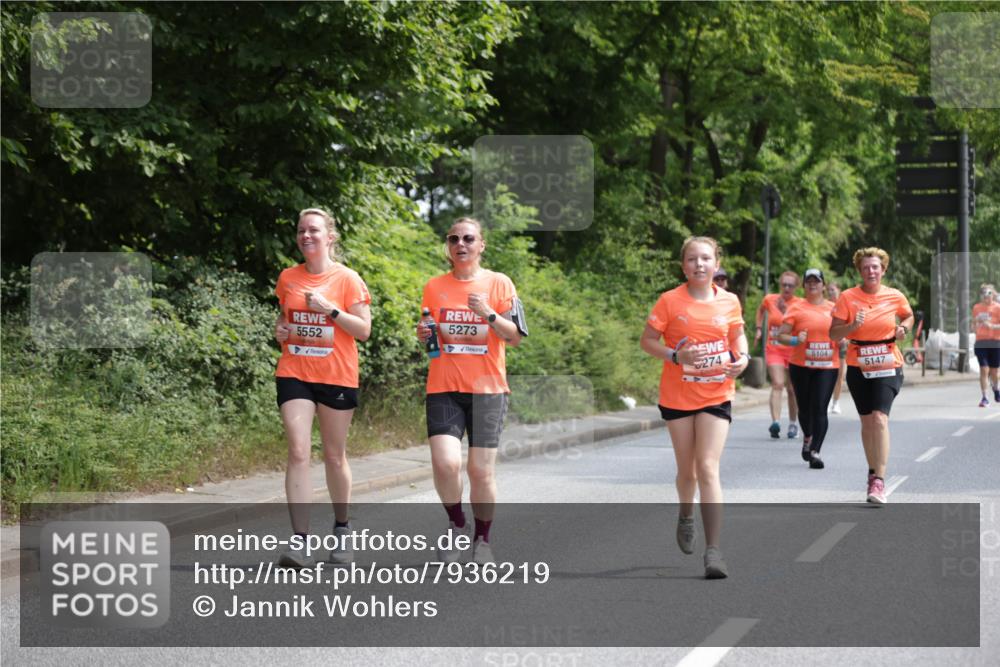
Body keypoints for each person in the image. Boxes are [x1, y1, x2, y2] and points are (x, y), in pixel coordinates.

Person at [417, 218, 527, 565]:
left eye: (468, 239)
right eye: (453, 239)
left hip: (488, 390)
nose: (460, 244)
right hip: (444, 387)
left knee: (480, 471)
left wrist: (489, 314)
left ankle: (483, 540)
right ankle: (456, 523)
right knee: (446, 463)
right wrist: (425, 334)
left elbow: (516, 336)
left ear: (481, 245)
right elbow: (432, 335)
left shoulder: (499, 283)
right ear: (448, 247)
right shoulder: (434, 287)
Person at [641, 236, 749, 579]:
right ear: (683, 265)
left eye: (705, 259)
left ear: (716, 263)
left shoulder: (730, 301)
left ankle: (714, 551)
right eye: (692, 259)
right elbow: (647, 341)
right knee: (686, 472)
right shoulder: (670, 301)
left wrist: (743, 358)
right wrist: (675, 356)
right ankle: (686, 512)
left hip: (717, 392)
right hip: (677, 396)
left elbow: (737, 337)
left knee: (707, 468)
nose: (699, 265)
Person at [273, 208, 372, 567]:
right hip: (295, 371)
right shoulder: (288, 277)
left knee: (334, 456)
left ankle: (342, 528)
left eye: (314, 230)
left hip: (336, 376)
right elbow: (284, 319)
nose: (306, 236)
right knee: (298, 451)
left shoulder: (347, 279)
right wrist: (280, 331)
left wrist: (330, 310)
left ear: (330, 237)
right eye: (301, 230)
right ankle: (299, 541)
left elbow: (363, 330)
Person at [830, 247, 914, 504]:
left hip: (888, 361)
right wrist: (852, 326)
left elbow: (908, 315)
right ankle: (872, 473)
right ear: (860, 271)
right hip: (859, 364)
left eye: (875, 267)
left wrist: (902, 328)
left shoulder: (894, 295)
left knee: (879, 419)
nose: (871, 271)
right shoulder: (847, 297)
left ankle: (879, 479)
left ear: (883, 269)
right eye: (866, 267)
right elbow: (833, 334)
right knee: (867, 423)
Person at [777, 269, 839, 469]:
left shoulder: (834, 309)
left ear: (823, 285)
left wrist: (844, 338)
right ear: (804, 285)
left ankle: (815, 451)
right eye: (809, 281)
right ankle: (808, 437)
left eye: (817, 281)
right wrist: (796, 339)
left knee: (820, 407)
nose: (813, 284)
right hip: (801, 365)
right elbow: (781, 336)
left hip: (827, 366)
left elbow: (843, 331)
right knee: (804, 408)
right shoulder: (795, 308)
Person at [755, 271, 801, 438]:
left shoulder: (799, 304)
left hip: (793, 350)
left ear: (796, 287)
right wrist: (759, 328)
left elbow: (799, 324)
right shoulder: (769, 299)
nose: (786, 288)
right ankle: (775, 422)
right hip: (774, 348)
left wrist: (786, 310)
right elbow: (760, 311)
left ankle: (793, 424)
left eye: (790, 285)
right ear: (780, 285)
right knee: (777, 383)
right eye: (784, 284)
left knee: (792, 389)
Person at [973, 283, 1000, 407]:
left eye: (989, 294)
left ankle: (996, 388)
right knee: (984, 369)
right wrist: (977, 323)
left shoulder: (998, 308)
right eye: (984, 295)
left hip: (995, 342)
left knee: (995, 372)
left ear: (993, 295)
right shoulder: (976, 308)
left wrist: (992, 326)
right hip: (981, 342)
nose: (986, 298)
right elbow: (973, 327)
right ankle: (984, 398)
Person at [825, 281, 848, 414]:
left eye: (833, 290)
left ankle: (836, 402)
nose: (830, 292)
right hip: (828, 344)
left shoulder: (844, 304)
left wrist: (846, 337)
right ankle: (827, 401)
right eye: (828, 290)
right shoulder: (825, 305)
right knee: (828, 375)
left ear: (839, 290)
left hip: (841, 344)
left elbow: (851, 324)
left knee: (840, 375)